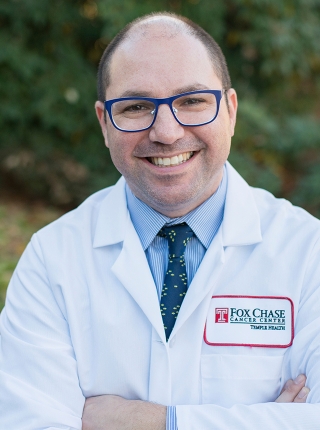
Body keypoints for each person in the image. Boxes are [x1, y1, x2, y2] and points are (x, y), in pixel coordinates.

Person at [1, 11, 320, 430]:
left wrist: (154, 421)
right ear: (104, 122)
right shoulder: (53, 259)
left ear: (230, 111)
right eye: (136, 106)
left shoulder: (308, 252)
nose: (166, 132)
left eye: (191, 101)